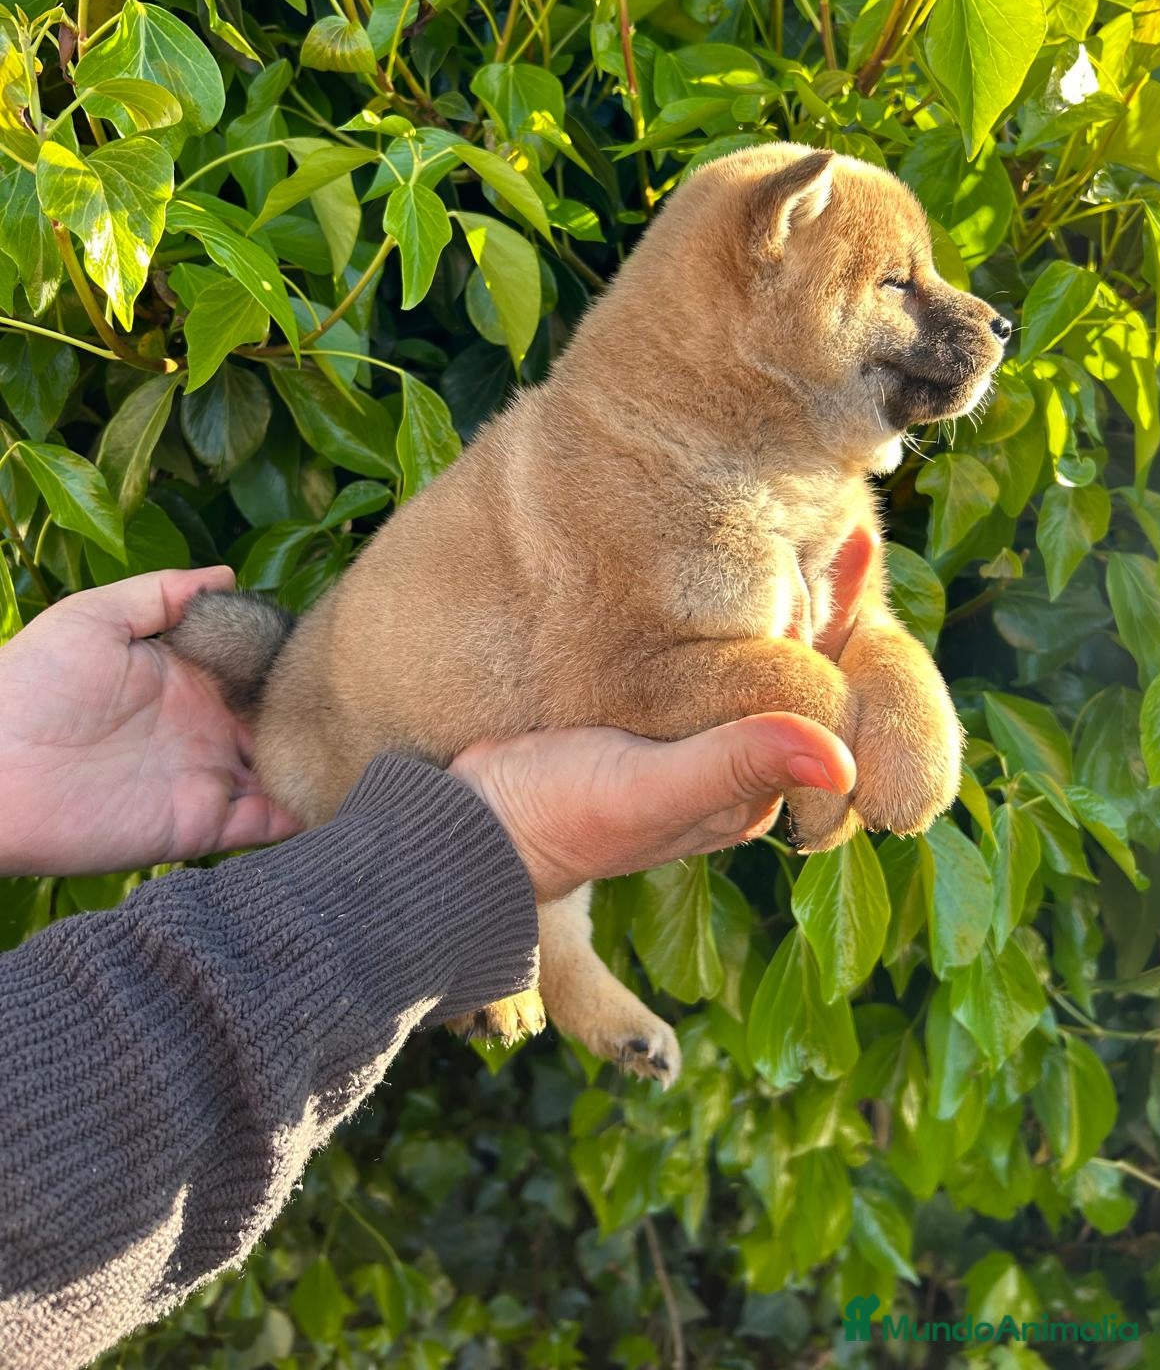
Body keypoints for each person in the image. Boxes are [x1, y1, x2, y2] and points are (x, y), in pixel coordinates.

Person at [0, 535, 872, 1369]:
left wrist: (17, 763)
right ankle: (557, 971)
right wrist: (462, 861)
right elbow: (50, 1185)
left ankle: (561, 970)